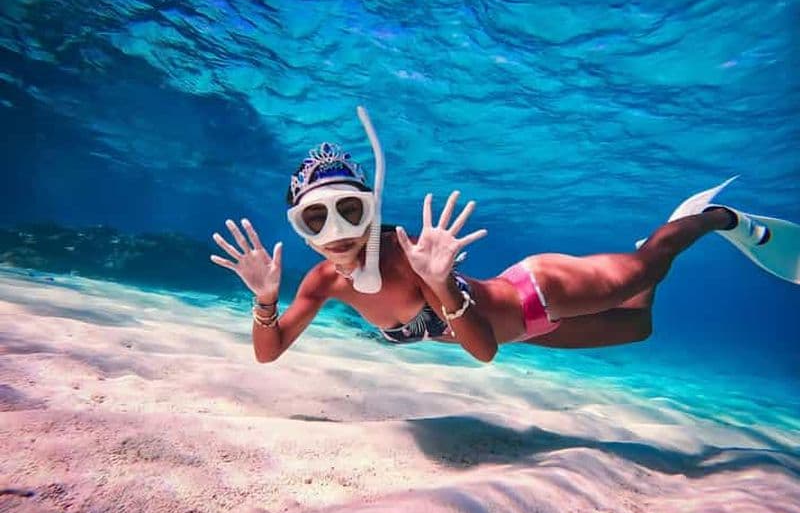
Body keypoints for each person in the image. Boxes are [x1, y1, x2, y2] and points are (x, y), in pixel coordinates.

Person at [211, 111, 799, 364]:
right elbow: (269, 353)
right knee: (639, 326)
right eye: (316, 220)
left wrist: (439, 283)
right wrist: (265, 301)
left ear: (372, 209)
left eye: (349, 210)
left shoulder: (409, 255)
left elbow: (482, 350)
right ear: (301, 232)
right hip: (530, 338)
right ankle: (653, 240)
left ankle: (717, 219)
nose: (338, 232)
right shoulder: (320, 283)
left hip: (537, 294)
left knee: (650, 270)